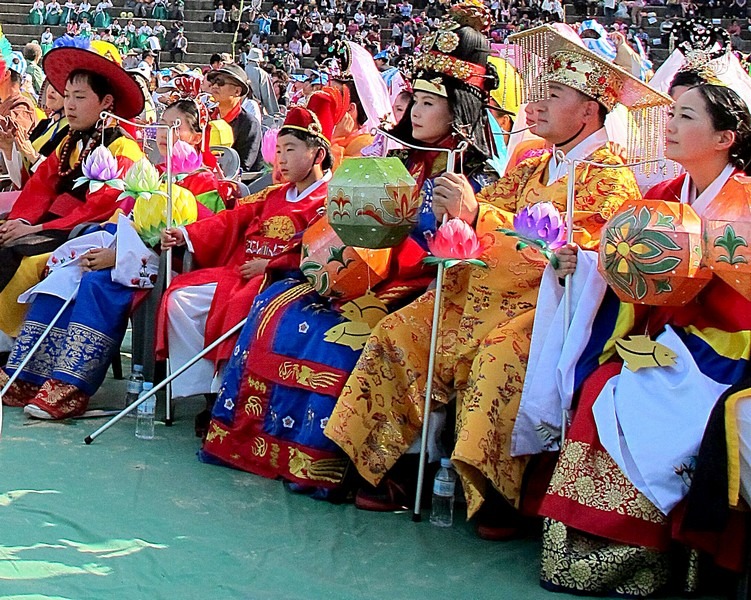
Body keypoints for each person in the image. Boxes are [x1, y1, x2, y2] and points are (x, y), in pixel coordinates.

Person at [324, 24, 669, 533]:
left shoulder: (608, 177)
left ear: (590, 109)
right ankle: (392, 466)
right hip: (482, 291)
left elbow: (567, 255)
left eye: (552, 96)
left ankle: (495, 488)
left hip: (545, 308)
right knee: (401, 330)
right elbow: (490, 215)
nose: (536, 107)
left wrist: (477, 214)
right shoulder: (532, 164)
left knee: (500, 353)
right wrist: (459, 216)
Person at [198, 8, 498, 493]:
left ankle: (331, 458)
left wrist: (462, 216)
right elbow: (346, 223)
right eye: (413, 101)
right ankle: (256, 437)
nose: (414, 112)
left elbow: (470, 251)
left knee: (336, 334)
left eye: (427, 103)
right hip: (363, 272)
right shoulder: (395, 161)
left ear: (458, 110)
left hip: (422, 287)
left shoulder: (476, 179)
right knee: (276, 303)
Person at [536, 76, 751, 596]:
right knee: (602, 387)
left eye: (686, 117)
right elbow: (621, 271)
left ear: (725, 138)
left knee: (649, 396)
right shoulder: (659, 196)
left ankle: (654, 553)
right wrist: (582, 263)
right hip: (658, 338)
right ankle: (593, 548)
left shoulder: (744, 207)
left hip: (727, 347)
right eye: (671, 114)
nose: (670, 125)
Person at [0, 99, 222, 420]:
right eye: (161, 124)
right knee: (62, 275)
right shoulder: (153, 174)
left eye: (175, 128)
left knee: (96, 282)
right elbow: (121, 218)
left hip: (168, 264)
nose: (164, 134)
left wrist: (118, 255)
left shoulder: (207, 183)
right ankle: (29, 374)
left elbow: (200, 235)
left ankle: (71, 385)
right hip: (124, 254)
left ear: (196, 137)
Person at [155, 89, 339, 408]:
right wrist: (186, 233)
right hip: (241, 273)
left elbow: (319, 249)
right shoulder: (273, 195)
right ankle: (200, 388)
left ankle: (226, 394)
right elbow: (231, 219)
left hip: (285, 283)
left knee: (241, 305)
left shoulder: (330, 201)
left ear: (317, 155)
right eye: (278, 149)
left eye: (290, 149)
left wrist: (272, 267)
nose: (280, 158)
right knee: (180, 299)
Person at [0, 45, 144, 301]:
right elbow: (41, 184)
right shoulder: (72, 141)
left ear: (106, 102)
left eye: (79, 97)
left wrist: (35, 229)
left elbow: (99, 209)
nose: (69, 105)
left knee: (15, 255)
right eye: (67, 96)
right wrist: (21, 221)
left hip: (83, 231)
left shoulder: (123, 148)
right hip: (49, 224)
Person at [206, 63, 261, 173]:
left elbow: (244, 166)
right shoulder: (207, 117)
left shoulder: (249, 124)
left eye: (220, 83)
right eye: (213, 82)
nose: (215, 86)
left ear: (237, 91)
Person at [244, 48, 279, 116]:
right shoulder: (262, 73)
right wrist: (273, 112)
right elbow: (267, 95)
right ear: (259, 61)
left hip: (241, 106)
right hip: (256, 107)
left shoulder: (241, 70)